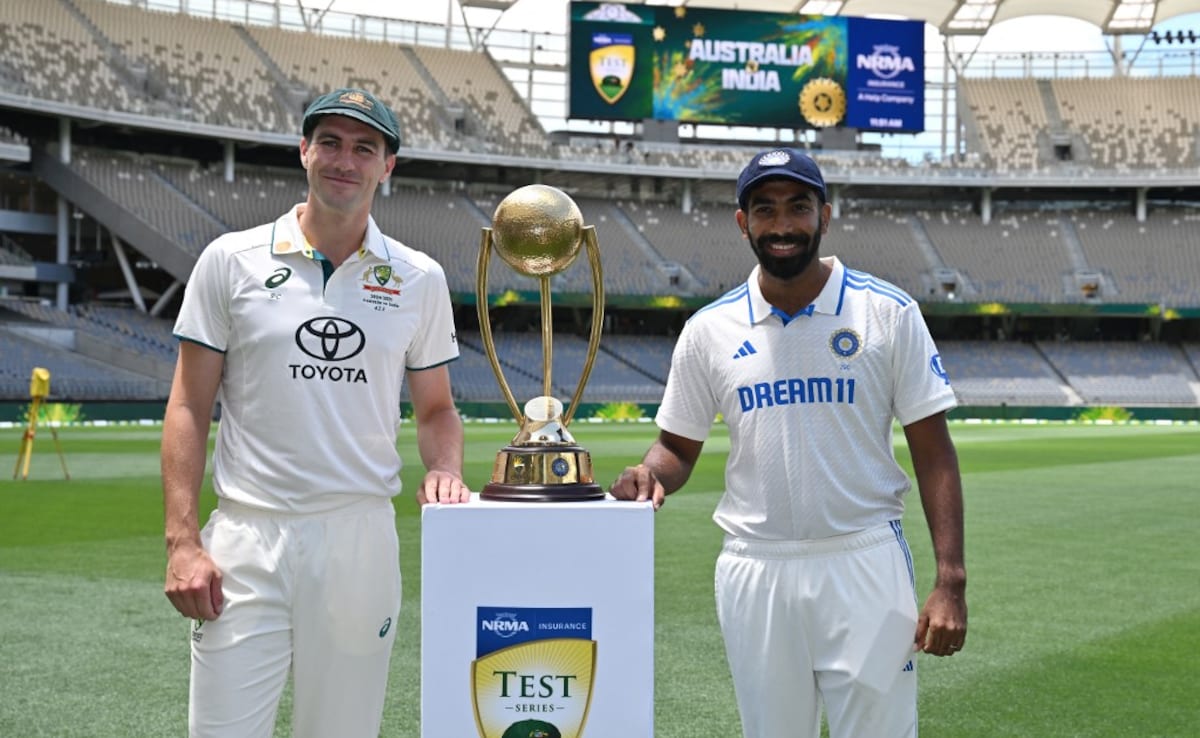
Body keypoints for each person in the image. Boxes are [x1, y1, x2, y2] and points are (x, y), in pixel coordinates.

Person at [610, 148, 967, 738]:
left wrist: (950, 580)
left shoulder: (887, 311)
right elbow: (676, 447)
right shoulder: (709, 330)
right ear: (742, 222)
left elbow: (934, 452)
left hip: (864, 559)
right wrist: (649, 472)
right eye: (765, 209)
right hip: (756, 566)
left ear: (824, 215)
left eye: (798, 207)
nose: (782, 224)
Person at [161, 87, 470, 738]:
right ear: (303, 150)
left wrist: (445, 467)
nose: (344, 160)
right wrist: (183, 541)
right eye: (329, 142)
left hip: (358, 536)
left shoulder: (419, 278)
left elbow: (437, 408)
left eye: (364, 148)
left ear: (387, 166)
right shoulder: (231, 260)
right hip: (246, 537)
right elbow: (188, 403)